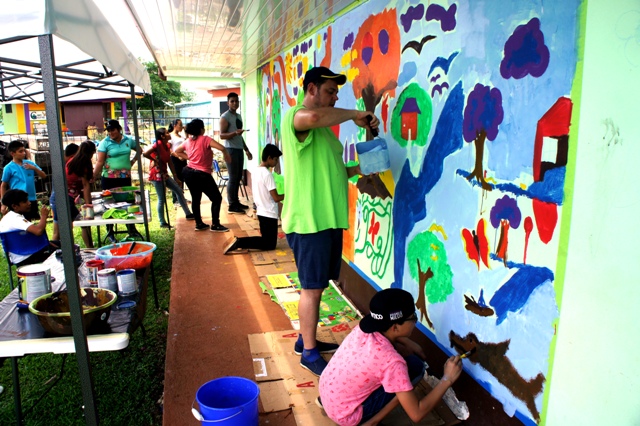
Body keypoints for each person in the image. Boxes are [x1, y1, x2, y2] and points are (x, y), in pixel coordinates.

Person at [281, 66, 380, 376]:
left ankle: (304, 340)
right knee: (311, 289)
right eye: (329, 91)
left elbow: (332, 168)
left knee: (319, 285)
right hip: (310, 221)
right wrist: (354, 114)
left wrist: (356, 169)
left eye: (337, 93)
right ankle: (308, 353)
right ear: (311, 90)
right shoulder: (296, 117)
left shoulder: (324, 130)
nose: (335, 97)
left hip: (327, 220)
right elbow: (312, 118)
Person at [318, 288, 463, 426]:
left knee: (405, 364)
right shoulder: (392, 362)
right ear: (395, 327)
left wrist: (408, 342)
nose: (415, 322)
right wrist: (447, 379)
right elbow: (416, 414)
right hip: (347, 416)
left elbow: (388, 333)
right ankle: (371, 422)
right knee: (415, 367)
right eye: (413, 318)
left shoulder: (364, 329)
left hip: (329, 396)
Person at [223, 144, 284, 254]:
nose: (276, 162)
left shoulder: (256, 171)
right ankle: (240, 242)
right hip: (269, 213)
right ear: (269, 158)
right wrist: (289, 194)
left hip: (261, 211)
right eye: (276, 159)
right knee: (269, 244)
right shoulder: (267, 174)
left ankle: (240, 242)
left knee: (267, 241)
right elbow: (276, 198)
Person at [174, 119, 231, 232]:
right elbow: (222, 147)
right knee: (216, 198)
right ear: (201, 129)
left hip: (189, 172)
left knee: (196, 198)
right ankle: (215, 224)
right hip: (202, 174)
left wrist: (190, 158)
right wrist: (226, 155)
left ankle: (199, 224)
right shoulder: (205, 139)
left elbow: (177, 151)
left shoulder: (188, 141)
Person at [93, 119, 143, 242]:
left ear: (119, 129)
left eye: (113, 130)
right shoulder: (104, 143)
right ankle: (110, 232)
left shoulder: (128, 140)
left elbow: (140, 150)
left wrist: (132, 161)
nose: (111, 133)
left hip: (124, 178)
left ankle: (131, 229)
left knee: (128, 202)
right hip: (109, 179)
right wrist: (93, 176)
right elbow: (99, 162)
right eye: (109, 130)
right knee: (109, 204)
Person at [143, 128, 194, 228]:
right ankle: (162, 222)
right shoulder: (157, 144)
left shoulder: (167, 145)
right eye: (166, 133)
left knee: (178, 190)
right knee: (162, 198)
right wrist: (154, 160)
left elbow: (170, 162)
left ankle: (188, 213)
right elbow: (145, 153)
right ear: (162, 136)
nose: (168, 133)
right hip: (156, 174)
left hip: (164, 173)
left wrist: (175, 176)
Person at [0, 189, 55, 266]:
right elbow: (38, 231)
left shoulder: (7, 218)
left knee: (56, 243)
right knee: (66, 247)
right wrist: (44, 216)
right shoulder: (16, 219)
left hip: (18, 256)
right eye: (25, 202)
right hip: (28, 256)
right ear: (14, 206)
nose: (29, 203)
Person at [219, 92, 253, 214]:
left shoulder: (238, 116)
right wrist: (235, 133)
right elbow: (222, 135)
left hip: (238, 149)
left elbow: (239, 136)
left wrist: (247, 150)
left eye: (236, 101)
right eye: (232, 101)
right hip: (230, 150)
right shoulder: (225, 117)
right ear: (228, 103)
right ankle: (232, 205)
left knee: (238, 177)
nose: (234, 103)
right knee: (233, 178)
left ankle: (236, 201)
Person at [1, 140, 46, 220]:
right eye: (20, 151)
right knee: (21, 223)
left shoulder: (29, 163)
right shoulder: (8, 168)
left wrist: (34, 168)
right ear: (13, 153)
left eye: (24, 151)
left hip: (31, 199)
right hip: (18, 201)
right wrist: (3, 203)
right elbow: (3, 186)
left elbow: (44, 176)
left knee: (34, 221)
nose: (24, 153)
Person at [64, 141, 97, 247]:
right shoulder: (84, 163)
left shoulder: (72, 161)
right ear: (91, 153)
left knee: (64, 227)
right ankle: (88, 248)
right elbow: (85, 185)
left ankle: (89, 246)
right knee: (84, 223)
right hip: (67, 198)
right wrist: (89, 205)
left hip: (65, 195)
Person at [51, 143, 79, 241]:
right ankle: (54, 252)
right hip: (59, 200)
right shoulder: (65, 165)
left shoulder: (64, 164)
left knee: (72, 223)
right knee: (57, 232)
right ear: (73, 156)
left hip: (62, 199)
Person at [168, 118, 188, 204]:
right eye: (180, 125)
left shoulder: (181, 136)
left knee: (182, 178)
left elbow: (187, 142)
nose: (181, 126)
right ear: (174, 126)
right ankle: (175, 199)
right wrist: (178, 156)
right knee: (177, 178)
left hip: (183, 159)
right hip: (175, 159)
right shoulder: (171, 136)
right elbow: (169, 149)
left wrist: (186, 131)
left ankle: (181, 197)